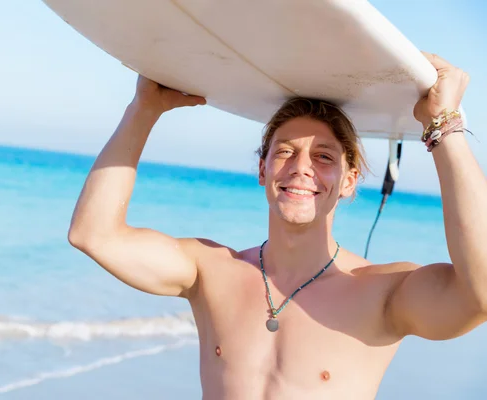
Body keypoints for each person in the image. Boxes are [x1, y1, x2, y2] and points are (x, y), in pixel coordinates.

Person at [67, 52, 486, 399]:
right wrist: (144, 108)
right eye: (285, 152)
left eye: (324, 157)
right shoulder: (211, 271)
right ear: (263, 170)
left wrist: (444, 125)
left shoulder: (384, 294)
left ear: (350, 181)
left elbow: (481, 292)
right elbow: (93, 233)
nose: (301, 168)